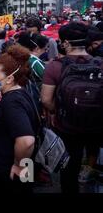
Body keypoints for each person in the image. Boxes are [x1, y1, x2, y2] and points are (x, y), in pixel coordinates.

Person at [41, 22, 103, 193]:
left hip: (66, 126)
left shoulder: (55, 66)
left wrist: (58, 110)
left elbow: (46, 100)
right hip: (96, 124)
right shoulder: (100, 63)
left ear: (66, 43)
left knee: (69, 168)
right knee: (93, 152)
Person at [0, 45, 38, 193]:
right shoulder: (19, 91)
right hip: (26, 163)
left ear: (10, 78)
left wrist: (18, 165)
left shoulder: (12, 102)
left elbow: (27, 141)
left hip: (9, 169)